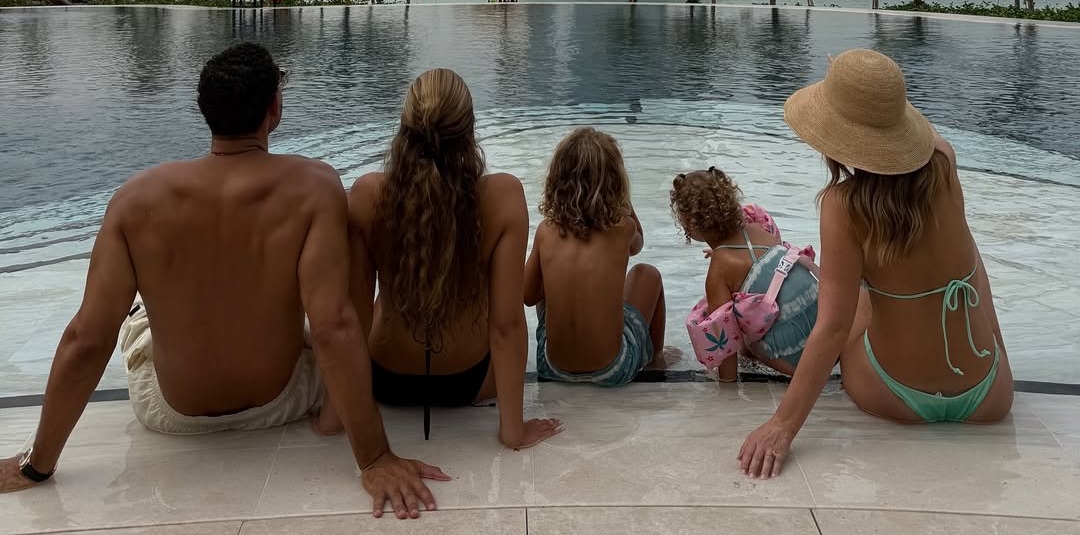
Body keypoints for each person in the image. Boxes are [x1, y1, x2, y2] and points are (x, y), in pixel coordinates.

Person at [0, 42, 447, 520]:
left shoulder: (135, 199)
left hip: (169, 413)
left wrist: (36, 466)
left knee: (139, 316)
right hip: (280, 401)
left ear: (204, 110)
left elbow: (87, 338)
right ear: (274, 109)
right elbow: (333, 326)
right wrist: (375, 457)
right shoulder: (314, 186)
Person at [738, 49, 1014, 479]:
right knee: (970, 258)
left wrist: (783, 425)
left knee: (855, 300)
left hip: (898, 397)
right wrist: (876, 102)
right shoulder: (945, 165)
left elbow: (832, 328)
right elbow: (923, 136)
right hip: (990, 392)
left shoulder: (842, 205)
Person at [328, 68, 561, 449]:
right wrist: (513, 429)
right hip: (467, 381)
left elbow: (348, 316)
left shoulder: (368, 194)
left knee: (363, 311)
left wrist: (332, 414)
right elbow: (506, 325)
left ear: (403, 130)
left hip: (383, 377)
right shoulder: (503, 197)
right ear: (470, 131)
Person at [524, 127, 665, 385]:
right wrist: (624, 203)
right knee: (648, 274)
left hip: (552, 366)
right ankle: (656, 356)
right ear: (616, 182)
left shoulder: (546, 231)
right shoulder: (623, 229)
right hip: (613, 368)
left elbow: (529, 295)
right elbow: (638, 246)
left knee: (547, 277)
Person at [671, 168, 836, 381]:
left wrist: (727, 388)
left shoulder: (720, 267)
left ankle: (757, 358)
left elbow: (724, 340)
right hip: (829, 337)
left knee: (736, 326)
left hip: (797, 360)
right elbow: (763, 271)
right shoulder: (759, 230)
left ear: (687, 222)